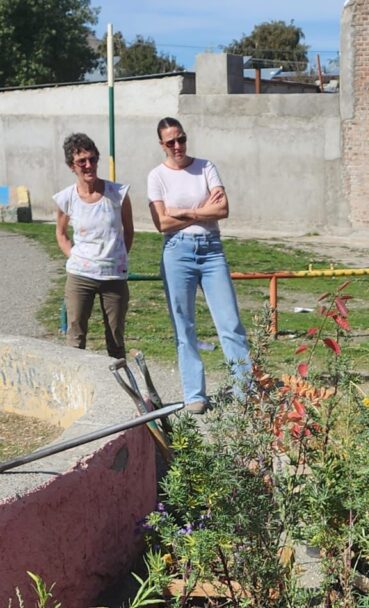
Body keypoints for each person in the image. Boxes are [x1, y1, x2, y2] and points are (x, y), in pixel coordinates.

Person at [147, 117, 250, 414]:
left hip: (211, 250)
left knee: (230, 322)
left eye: (181, 139)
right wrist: (203, 210)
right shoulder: (157, 176)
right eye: (171, 142)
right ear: (162, 145)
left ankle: (245, 389)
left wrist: (183, 212)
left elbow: (223, 209)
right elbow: (162, 222)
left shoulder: (205, 167)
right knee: (184, 325)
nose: (177, 146)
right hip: (177, 252)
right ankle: (195, 394)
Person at [54, 133, 133, 358]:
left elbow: (129, 230)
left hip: (113, 276)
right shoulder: (66, 198)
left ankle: (118, 379)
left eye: (93, 159)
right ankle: (73, 380)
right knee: (75, 338)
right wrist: (74, 257)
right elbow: (61, 233)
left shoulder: (118, 194)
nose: (89, 165)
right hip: (80, 277)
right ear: (72, 166)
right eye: (82, 161)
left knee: (116, 340)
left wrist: (118, 257)